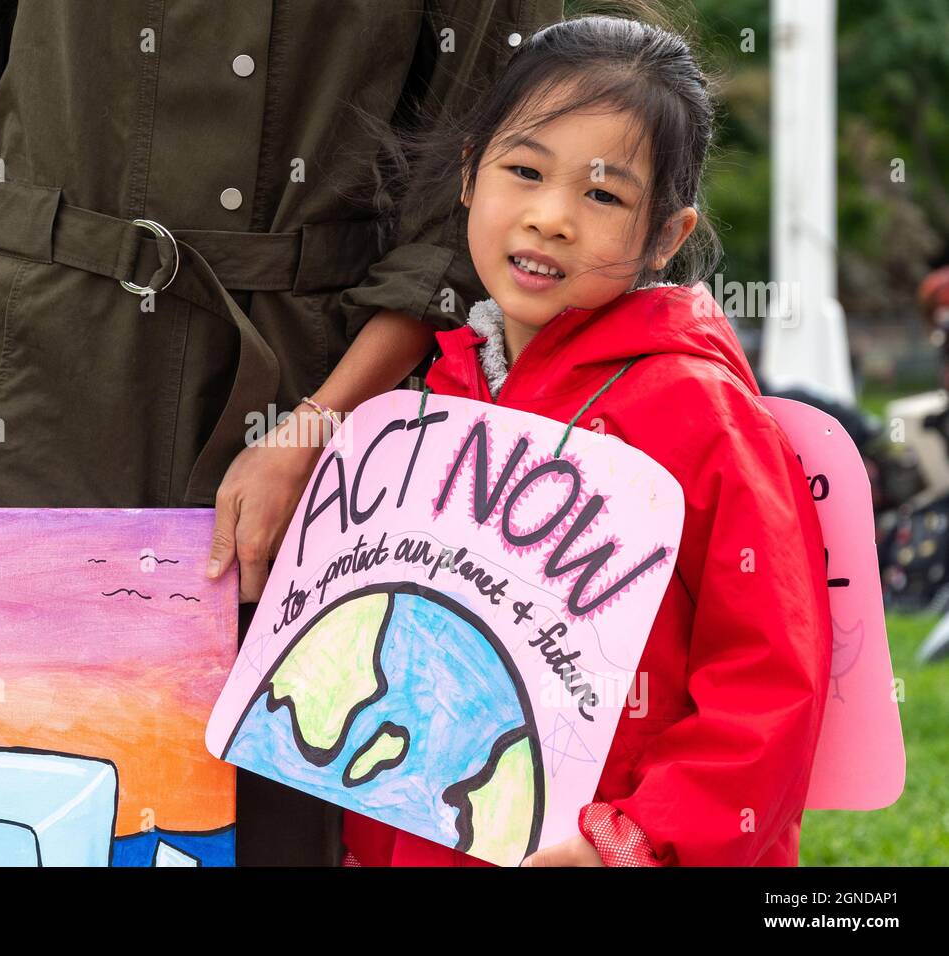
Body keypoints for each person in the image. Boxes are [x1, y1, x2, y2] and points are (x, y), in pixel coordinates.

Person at [0, 1, 566, 865]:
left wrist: (316, 427)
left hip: (312, 414)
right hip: (22, 394)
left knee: (270, 824)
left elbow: (458, 208)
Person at [341, 15, 833, 867]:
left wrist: (631, 838)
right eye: (524, 171)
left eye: (603, 195)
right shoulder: (438, 394)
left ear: (665, 239)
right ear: (469, 175)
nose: (551, 217)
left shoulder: (701, 412)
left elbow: (772, 680)